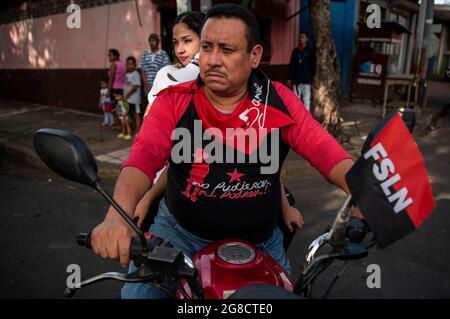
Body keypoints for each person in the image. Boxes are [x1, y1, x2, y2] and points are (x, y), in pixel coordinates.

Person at [91, 3, 361, 299]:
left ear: (254, 56)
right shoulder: (174, 101)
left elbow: (325, 150)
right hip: (178, 233)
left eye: (227, 49)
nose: (213, 60)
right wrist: (117, 216)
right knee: (138, 297)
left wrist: (366, 192)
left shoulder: (278, 100)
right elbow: (142, 159)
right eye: (207, 47)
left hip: (260, 241)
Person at [136, 11, 303, 235]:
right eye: (207, 47)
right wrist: (135, 204)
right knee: (147, 258)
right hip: (168, 195)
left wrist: (285, 207)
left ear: (253, 56)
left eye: (188, 41)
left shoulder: (264, 97)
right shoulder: (172, 84)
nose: (180, 49)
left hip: (249, 232)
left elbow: (264, 168)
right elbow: (147, 152)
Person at [288, 32, 316, 112]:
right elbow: (291, 65)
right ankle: (297, 118)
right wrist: (290, 78)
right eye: (300, 37)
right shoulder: (295, 51)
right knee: (296, 100)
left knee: (306, 100)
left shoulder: (310, 51)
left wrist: (312, 77)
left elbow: (313, 65)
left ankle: (306, 119)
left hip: (307, 79)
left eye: (303, 37)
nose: (301, 39)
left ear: (307, 39)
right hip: (296, 79)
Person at [123, 56, 142, 134]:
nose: (130, 65)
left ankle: (138, 131)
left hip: (134, 99)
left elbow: (135, 87)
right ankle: (129, 130)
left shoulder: (135, 74)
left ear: (135, 65)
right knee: (128, 114)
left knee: (136, 114)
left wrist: (127, 95)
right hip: (128, 99)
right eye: (128, 64)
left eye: (132, 64)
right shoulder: (127, 74)